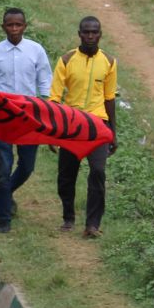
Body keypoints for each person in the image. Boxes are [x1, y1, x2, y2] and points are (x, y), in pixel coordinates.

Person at [0, 7, 51, 233]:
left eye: (18, 25)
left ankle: (6, 192)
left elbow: (45, 84)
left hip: (29, 116)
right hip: (2, 118)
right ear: (3, 27)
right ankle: (4, 218)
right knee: (3, 167)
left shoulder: (36, 51)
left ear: (25, 26)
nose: (14, 29)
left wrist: (46, 114)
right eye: (10, 25)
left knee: (27, 166)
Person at [50, 16, 117, 238]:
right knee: (66, 175)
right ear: (79, 33)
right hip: (72, 125)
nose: (90, 36)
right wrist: (53, 133)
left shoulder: (109, 61)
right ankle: (68, 217)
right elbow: (55, 99)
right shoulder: (67, 60)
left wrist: (113, 133)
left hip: (98, 125)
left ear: (100, 34)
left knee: (98, 172)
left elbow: (109, 98)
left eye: (94, 32)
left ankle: (92, 224)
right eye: (86, 32)